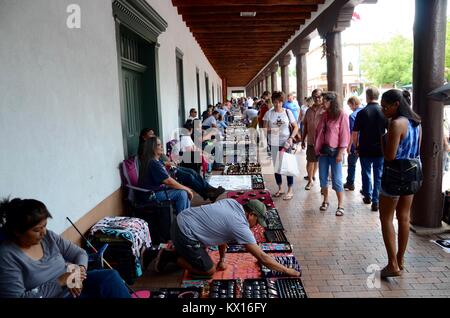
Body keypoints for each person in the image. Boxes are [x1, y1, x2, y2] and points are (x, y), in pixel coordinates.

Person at [0, 198, 131, 298]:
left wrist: (77, 273)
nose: (44, 232)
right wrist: (60, 281)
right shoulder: (8, 256)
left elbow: (80, 253)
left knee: (110, 277)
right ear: (17, 231)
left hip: (73, 287)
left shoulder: (48, 237)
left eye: (45, 225)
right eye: (37, 230)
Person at [153, 199, 301, 278]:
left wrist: (223, 259)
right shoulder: (240, 225)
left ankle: (180, 250)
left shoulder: (233, 203)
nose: (256, 226)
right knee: (208, 270)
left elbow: (221, 233)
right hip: (183, 232)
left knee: (203, 256)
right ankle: (169, 256)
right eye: (257, 221)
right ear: (251, 215)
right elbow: (262, 257)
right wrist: (286, 270)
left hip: (182, 219)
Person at [377, 90, 422, 278]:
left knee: (386, 218)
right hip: (412, 173)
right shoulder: (416, 122)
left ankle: (392, 264)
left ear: (396, 104)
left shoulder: (396, 124)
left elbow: (390, 155)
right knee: (404, 217)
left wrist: (383, 139)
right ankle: (400, 260)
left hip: (395, 175)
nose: (383, 109)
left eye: (385, 106)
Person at [314, 92, 350, 216]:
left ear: (332, 102)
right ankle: (325, 200)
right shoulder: (324, 115)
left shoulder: (342, 115)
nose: (323, 102)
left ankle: (340, 205)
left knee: (337, 179)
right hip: (323, 152)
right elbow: (318, 132)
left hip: (335, 152)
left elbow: (345, 135)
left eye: (325, 100)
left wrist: (341, 152)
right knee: (322, 178)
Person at [352, 87, 388, 211]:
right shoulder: (384, 112)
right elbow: (390, 130)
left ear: (367, 97)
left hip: (365, 148)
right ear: (378, 97)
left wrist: (356, 146)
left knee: (366, 172)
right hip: (380, 149)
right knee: (378, 174)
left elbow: (355, 133)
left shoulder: (361, 113)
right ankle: (376, 201)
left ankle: (367, 196)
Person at [137, 137, 192, 215]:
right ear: (152, 148)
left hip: (156, 191)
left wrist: (169, 163)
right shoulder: (153, 163)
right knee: (182, 193)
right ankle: (183, 222)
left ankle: (186, 219)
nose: (162, 146)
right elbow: (168, 181)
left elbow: (163, 164)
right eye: (159, 145)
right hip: (150, 195)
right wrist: (187, 189)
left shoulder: (156, 160)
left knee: (184, 192)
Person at [263, 91, 299, 200]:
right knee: (277, 167)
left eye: (280, 102)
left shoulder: (288, 112)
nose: (278, 104)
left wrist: (291, 138)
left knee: (288, 166)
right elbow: (264, 129)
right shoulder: (269, 113)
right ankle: (280, 188)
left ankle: (290, 190)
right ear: (272, 102)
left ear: (282, 102)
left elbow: (295, 127)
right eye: (275, 102)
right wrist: (272, 130)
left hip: (286, 142)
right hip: (273, 142)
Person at [302, 89, 325, 190]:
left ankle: (316, 178)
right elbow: (305, 126)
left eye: (319, 96)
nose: (317, 98)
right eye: (315, 96)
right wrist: (303, 140)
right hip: (311, 141)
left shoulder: (325, 110)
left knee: (319, 162)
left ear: (322, 97)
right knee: (310, 161)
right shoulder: (308, 110)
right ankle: (310, 180)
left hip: (323, 142)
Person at [344, 96, 363, 191]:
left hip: (355, 143)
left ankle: (350, 183)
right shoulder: (365, 112)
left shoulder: (352, 116)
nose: (350, 107)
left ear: (353, 103)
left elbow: (353, 132)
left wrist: (349, 145)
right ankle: (366, 187)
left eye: (350, 105)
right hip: (365, 143)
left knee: (351, 164)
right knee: (365, 167)